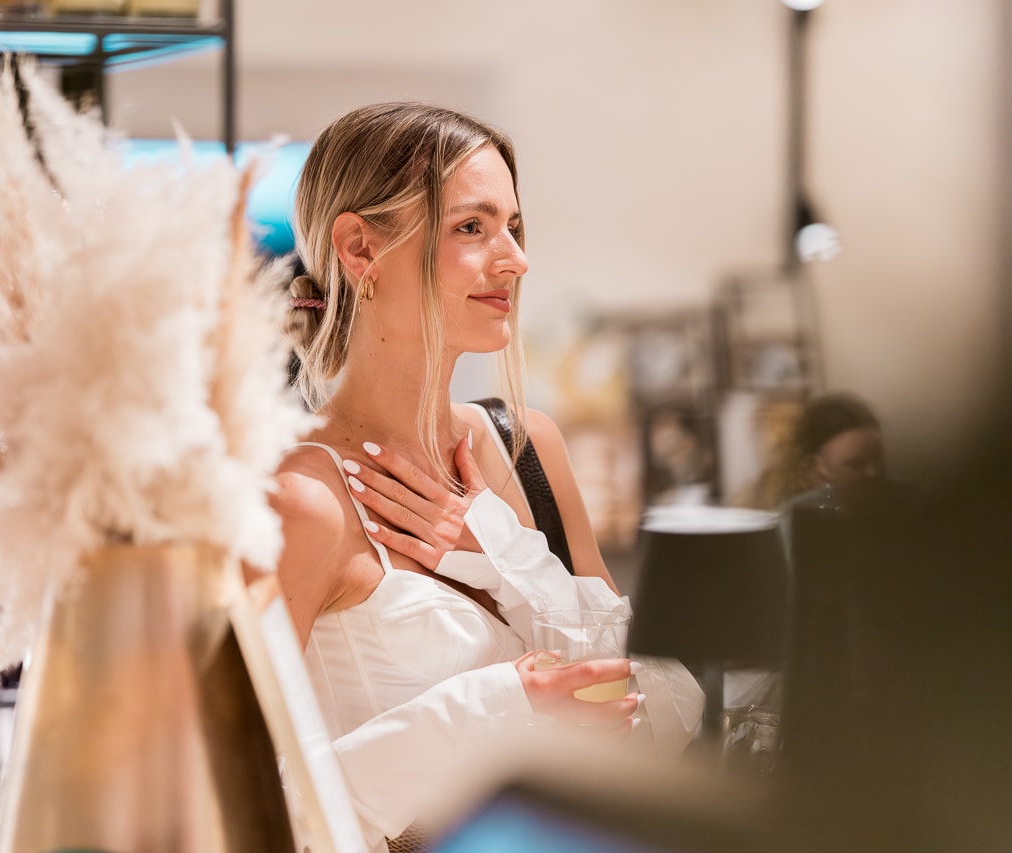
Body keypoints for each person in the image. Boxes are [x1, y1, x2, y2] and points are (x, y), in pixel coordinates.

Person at [265, 102, 702, 852]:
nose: (515, 259)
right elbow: (256, 808)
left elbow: (665, 711)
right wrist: (497, 705)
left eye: (514, 227)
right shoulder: (301, 499)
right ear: (360, 247)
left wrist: (502, 554)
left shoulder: (529, 448)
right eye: (472, 226)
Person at [732, 391, 885, 511]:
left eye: (878, 461)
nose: (873, 474)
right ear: (809, 470)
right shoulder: (783, 527)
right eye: (855, 465)